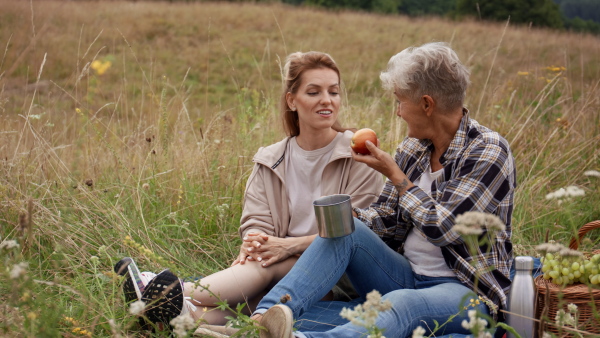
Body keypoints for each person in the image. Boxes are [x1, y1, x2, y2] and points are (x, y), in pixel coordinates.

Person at [251, 42, 517, 338]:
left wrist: (396, 176)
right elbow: (388, 222)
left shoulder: (488, 151)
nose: (398, 112)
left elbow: (445, 228)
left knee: (398, 305)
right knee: (348, 229)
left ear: (427, 105)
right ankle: (265, 318)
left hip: (467, 293)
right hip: (404, 276)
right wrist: (354, 217)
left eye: (400, 101)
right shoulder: (413, 148)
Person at [114, 51, 383, 328]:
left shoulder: (358, 154)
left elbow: (351, 232)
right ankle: (182, 317)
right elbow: (256, 220)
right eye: (314, 92)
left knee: (267, 265)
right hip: (273, 267)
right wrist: (256, 240)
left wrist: (284, 247)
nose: (327, 100)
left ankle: (173, 291)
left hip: (333, 274)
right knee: (259, 283)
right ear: (292, 100)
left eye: (334, 92)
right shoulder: (271, 159)